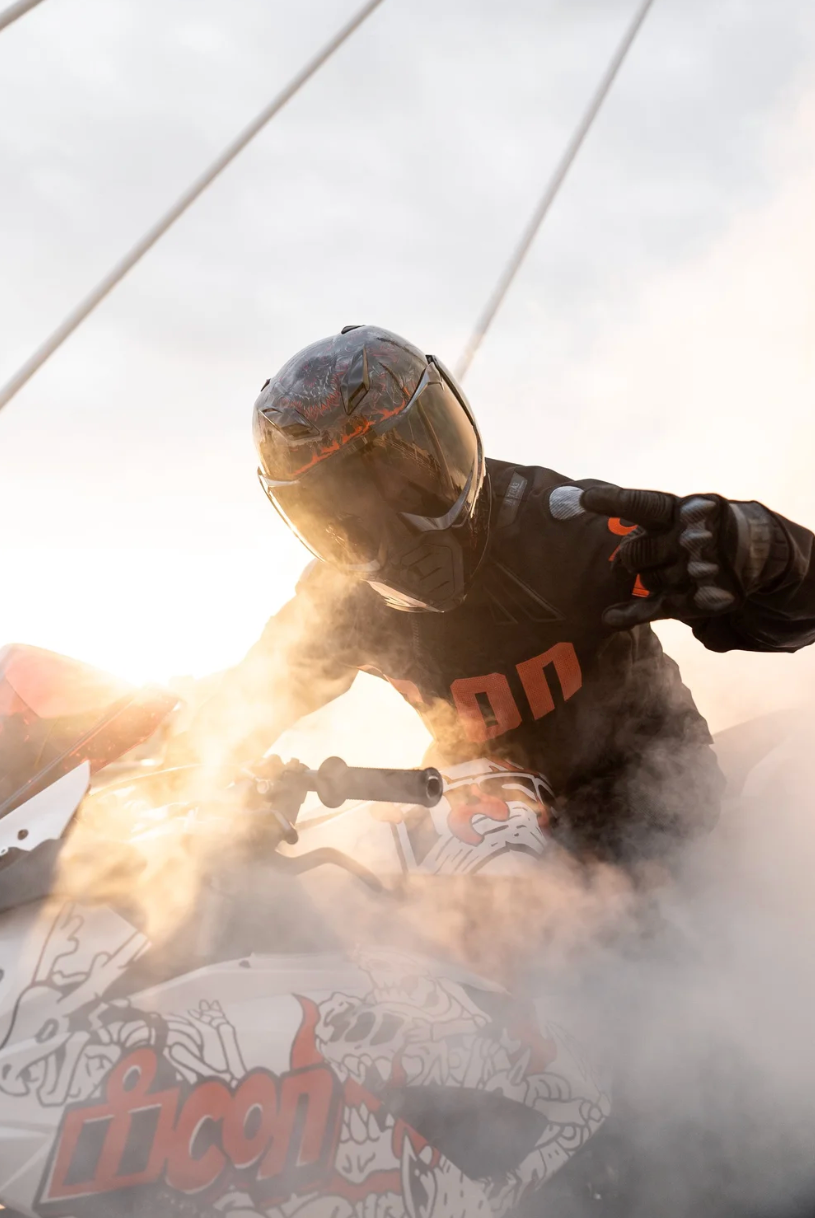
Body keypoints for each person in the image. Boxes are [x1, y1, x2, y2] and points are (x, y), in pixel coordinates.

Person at [180, 325, 815, 862]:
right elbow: (243, 708)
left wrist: (768, 557)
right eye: (346, 512)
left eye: (403, 481)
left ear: (445, 443)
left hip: (649, 795)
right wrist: (166, 777)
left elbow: (793, 615)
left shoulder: (564, 529)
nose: (398, 535)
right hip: (482, 809)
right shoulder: (340, 602)